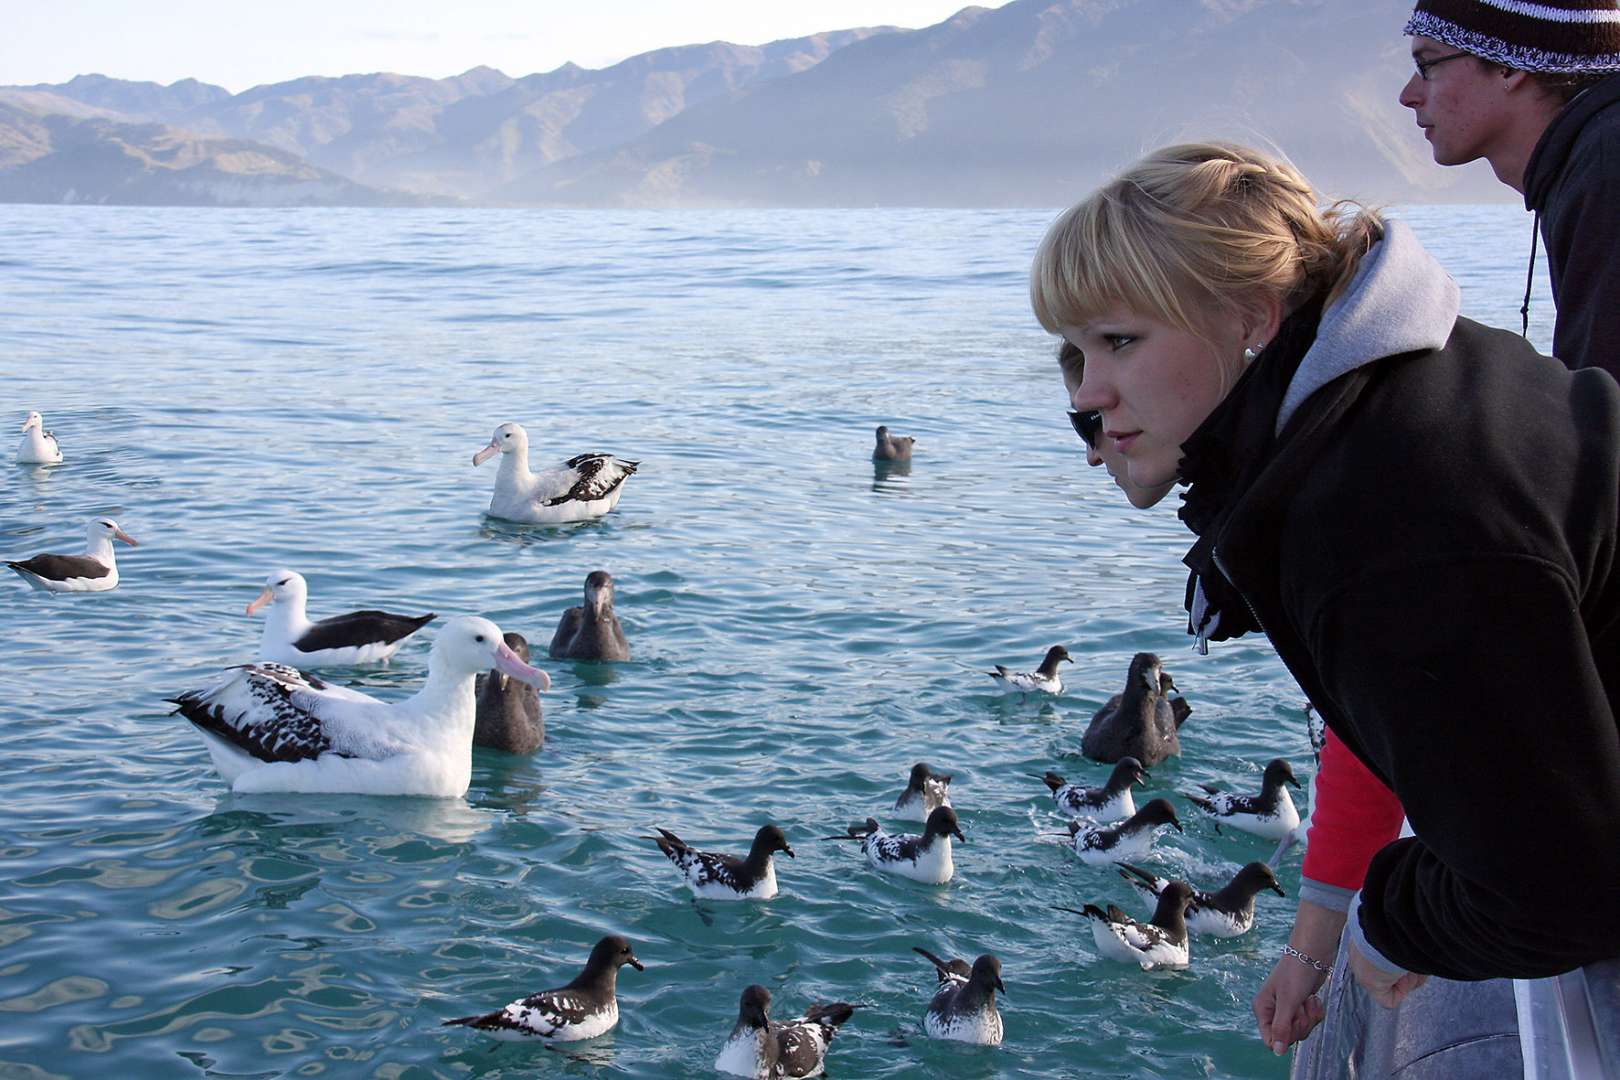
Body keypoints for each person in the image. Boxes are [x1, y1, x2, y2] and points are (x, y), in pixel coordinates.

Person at [1031, 141, 1620, 1070]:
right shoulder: (1395, 394)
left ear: (1253, 320)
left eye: (1122, 340)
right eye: (1073, 353)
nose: (1087, 396)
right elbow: (1398, 696)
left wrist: (1384, 921)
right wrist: (1319, 931)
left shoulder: (1380, 512)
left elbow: (1555, 896)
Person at [1399, 0, 1620, 378]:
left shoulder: (1606, 171)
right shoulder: (1589, 158)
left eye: (1428, 65)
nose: (1408, 95)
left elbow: (1608, 420)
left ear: (1510, 64)